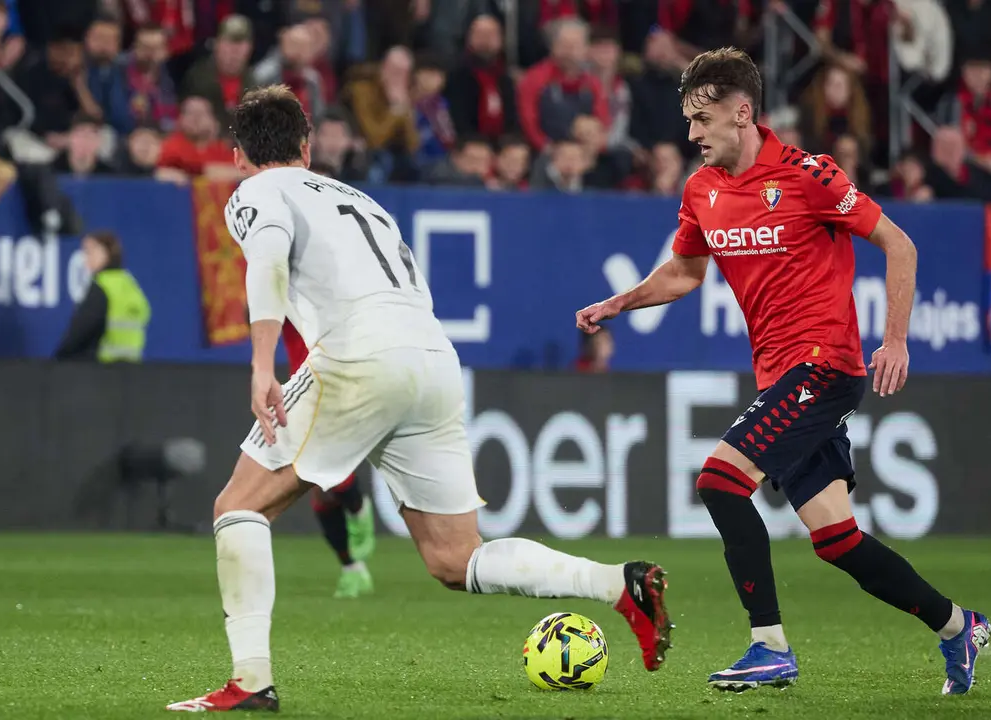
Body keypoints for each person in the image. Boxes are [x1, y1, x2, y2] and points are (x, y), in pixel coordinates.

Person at [166, 85, 672, 713]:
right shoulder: (363, 200)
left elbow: (265, 259)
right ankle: (615, 585)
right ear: (306, 145)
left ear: (239, 155)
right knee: (456, 558)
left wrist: (261, 362)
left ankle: (250, 681)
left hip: (358, 354)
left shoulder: (255, 191)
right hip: (432, 358)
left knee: (237, 506)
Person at [575, 48, 991, 695]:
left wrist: (897, 340)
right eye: (688, 121)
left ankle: (768, 646)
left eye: (702, 119)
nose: (692, 134)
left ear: (742, 113)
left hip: (825, 366)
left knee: (718, 481)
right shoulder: (701, 190)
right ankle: (957, 626)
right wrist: (619, 302)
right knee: (837, 540)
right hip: (780, 378)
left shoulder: (808, 175)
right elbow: (686, 270)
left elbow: (898, 243)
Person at [280, 319, 377, 599]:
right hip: (301, 384)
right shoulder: (277, 282)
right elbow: (255, 312)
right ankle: (352, 567)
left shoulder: (326, 282)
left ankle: (357, 507)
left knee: (322, 467)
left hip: (335, 379)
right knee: (318, 485)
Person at [54, 231, 150, 362]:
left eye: (90, 251)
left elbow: (81, 330)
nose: (86, 258)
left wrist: (58, 359)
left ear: (107, 252)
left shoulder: (102, 286)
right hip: (131, 370)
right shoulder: (130, 284)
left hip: (101, 370)